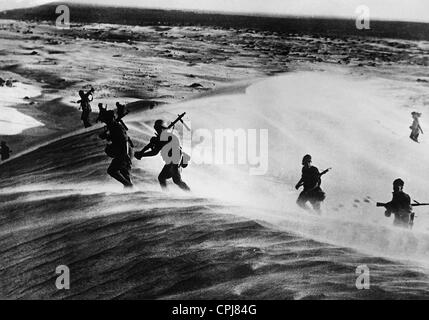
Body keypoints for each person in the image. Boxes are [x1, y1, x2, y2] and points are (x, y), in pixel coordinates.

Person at [134, 119, 190, 191]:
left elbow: (156, 152)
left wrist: (142, 154)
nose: (158, 130)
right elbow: (154, 151)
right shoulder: (158, 139)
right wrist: (142, 153)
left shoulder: (170, 137)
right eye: (156, 129)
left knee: (177, 180)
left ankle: (190, 193)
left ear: (164, 129)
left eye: (160, 128)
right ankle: (166, 194)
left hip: (177, 159)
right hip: (170, 160)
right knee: (162, 178)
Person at [99, 110, 133, 188]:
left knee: (112, 171)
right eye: (106, 120)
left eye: (108, 119)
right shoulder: (112, 127)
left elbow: (125, 141)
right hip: (124, 151)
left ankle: (128, 185)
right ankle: (130, 189)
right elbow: (113, 138)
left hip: (125, 151)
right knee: (124, 172)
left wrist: (126, 155)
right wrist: (105, 136)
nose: (106, 121)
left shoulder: (117, 127)